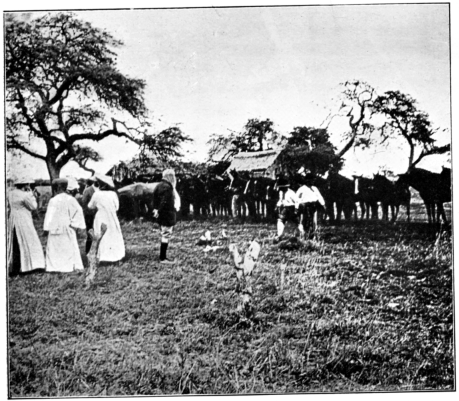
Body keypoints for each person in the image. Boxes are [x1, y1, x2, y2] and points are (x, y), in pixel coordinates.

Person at [43, 178, 86, 272]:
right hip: (65, 226)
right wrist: (74, 225)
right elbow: (79, 211)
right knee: (62, 245)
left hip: (59, 226)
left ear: (58, 188)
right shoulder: (70, 199)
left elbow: (49, 216)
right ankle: (61, 266)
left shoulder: (54, 200)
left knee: (60, 245)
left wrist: (47, 227)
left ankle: (57, 266)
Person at [6, 176, 46, 276]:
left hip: (13, 219)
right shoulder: (25, 195)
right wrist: (33, 196)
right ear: (25, 185)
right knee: (29, 240)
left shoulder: (10, 193)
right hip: (24, 220)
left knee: (15, 242)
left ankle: (15, 267)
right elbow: (33, 207)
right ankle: (31, 265)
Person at [88, 175, 125, 263]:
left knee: (101, 235)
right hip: (111, 216)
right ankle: (116, 256)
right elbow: (117, 207)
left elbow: (90, 206)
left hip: (101, 216)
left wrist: (99, 206)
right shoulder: (113, 194)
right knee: (113, 234)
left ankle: (102, 256)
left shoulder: (96, 194)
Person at [152, 169, 179, 264]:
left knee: (164, 234)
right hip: (167, 214)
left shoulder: (158, 185)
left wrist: (156, 210)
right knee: (166, 235)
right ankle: (163, 258)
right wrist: (159, 209)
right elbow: (164, 201)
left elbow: (155, 200)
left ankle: (162, 257)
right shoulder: (168, 187)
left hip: (161, 215)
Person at [296, 173, 326, 239]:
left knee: (314, 221)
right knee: (305, 220)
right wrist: (296, 207)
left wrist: (323, 204)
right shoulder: (301, 189)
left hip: (313, 206)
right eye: (311, 180)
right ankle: (304, 235)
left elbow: (319, 197)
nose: (312, 181)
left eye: (313, 180)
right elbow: (297, 199)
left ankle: (313, 234)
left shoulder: (314, 188)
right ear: (307, 180)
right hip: (304, 207)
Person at [275, 176, 301, 242]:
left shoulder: (291, 193)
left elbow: (297, 201)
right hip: (284, 208)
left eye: (283, 187)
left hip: (291, 208)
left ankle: (301, 234)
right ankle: (279, 235)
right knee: (280, 220)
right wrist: (277, 206)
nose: (281, 189)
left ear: (287, 187)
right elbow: (281, 200)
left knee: (296, 222)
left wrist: (296, 209)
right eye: (281, 188)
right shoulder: (281, 192)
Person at [82, 177, 97, 253]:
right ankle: (88, 252)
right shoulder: (88, 190)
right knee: (90, 234)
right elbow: (84, 204)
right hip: (90, 217)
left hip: (99, 216)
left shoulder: (101, 190)